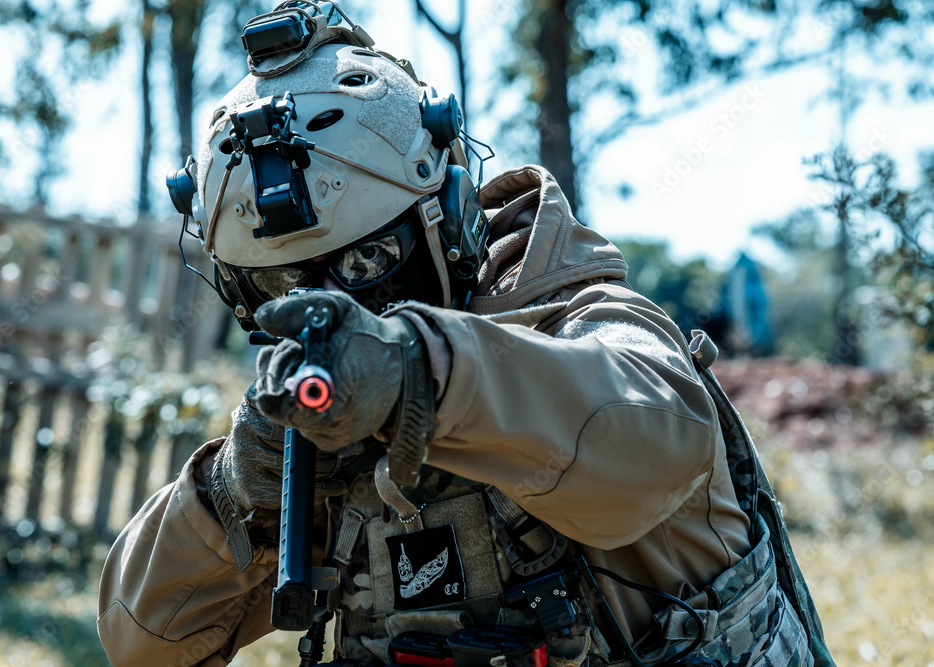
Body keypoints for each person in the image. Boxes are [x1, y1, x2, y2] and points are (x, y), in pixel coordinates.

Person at [98, 2, 833, 666]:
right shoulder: (326, 413)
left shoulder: (589, 321)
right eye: (284, 287)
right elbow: (141, 642)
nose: (327, 307)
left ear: (447, 221)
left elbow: (649, 439)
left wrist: (423, 375)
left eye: (368, 261)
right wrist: (233, 491)